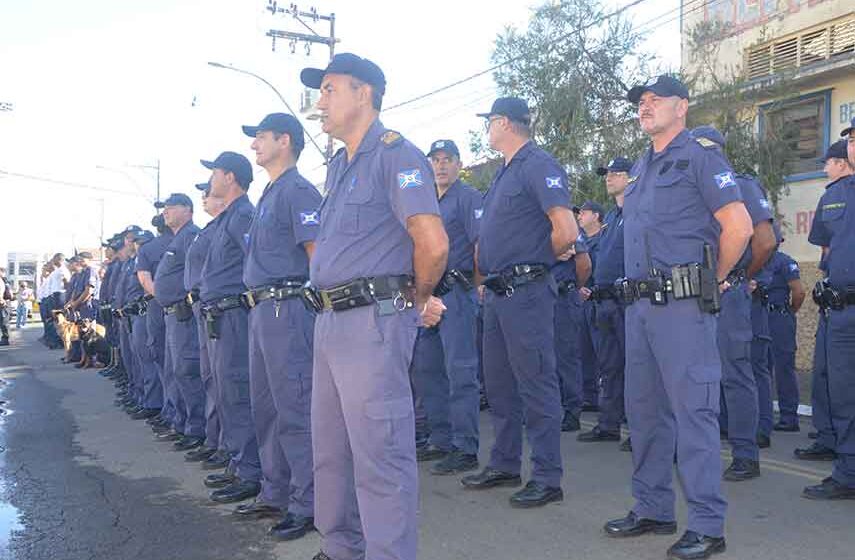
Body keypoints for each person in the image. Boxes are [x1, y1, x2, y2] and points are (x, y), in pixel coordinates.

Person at [300, 52, 447, 560]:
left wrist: (417, 299)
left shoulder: (396, 154)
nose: (320, 102)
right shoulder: (339, 166)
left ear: (363, 94)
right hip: (329, 321)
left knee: (380, 455)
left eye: (328, 89)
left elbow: (432, 242)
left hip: (372, 321)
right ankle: (340, 548)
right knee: (332, 452)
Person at [604, 75, 752, 560]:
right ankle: (652, 507)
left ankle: (708, 525)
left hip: (683, 306)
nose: (645, 107)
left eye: (654, 100)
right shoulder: (643, 167)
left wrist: (715, 277)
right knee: (644, 413)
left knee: (694, 415)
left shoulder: (700, 157)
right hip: (640, 309)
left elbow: (740, 225)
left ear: (682, 107)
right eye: (640, 102)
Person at [461, 96, 578, 509]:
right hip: (496, 293)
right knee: (499, 385)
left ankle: (547, 477)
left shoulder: (538, 164)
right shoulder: (503, 173)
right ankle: (505, 463)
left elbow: (565, 229)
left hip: (525, 291)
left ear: (505, 123)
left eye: (489, 122)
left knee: (536, 382)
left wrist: (534, 262)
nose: (487, 130)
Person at [236, 112, 322, 540]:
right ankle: (276, 491)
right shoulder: (271, 192)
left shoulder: (298, 191)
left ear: (284, 141)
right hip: (262, 311)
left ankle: (308, 504)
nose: (254, 145)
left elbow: (317, 254)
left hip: (286, 310)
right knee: (265, 408)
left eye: (260, 137)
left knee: (294, 409)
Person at [690, 125, 776, 481]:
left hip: (726, 291)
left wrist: (734, 276)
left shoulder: (739, 184)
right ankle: (700, 449)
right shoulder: (691, 189)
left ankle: (745, 453)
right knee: (695, 375)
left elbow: (765, 241)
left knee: (735, 372)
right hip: (692, 292)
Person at [410, 138, 484, 475]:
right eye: (435, 160)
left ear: (458, 164)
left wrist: (478, 286)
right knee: (427, 370)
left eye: (447, 160)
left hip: (456, 292)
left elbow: (480, 244)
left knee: (461, 371)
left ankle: (465, 445)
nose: (440, 166)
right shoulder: (423, 199)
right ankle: (439, 438)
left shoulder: (468, 198)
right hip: (428, 295)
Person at [198, 151, 262, 505]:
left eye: (215, 172)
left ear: (231, 177)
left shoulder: (243, 216)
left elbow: (256, 263)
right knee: (224, 392)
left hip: (235, 315)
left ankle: (250, 470)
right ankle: (240, 463)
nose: (211, 179)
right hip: (218, 316)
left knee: (237, 392)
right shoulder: (226, 219)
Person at [802, 125, 855, 500]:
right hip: (843, 310)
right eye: (851, 140)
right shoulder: (838, 195)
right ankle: (849, 471)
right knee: (844, 394)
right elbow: (827, 248)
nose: (854, 145)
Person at [577, 158, 631, 451]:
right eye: (607, 174)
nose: (609, 178)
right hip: (604, 302)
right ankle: (609, 424)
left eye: (616, 174)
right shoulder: (611, 216)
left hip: (627, 301)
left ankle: (639, 428)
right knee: (609, 366)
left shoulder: (638, 210)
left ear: (631, 178)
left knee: (636, 367)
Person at [154, 193, 207, 455]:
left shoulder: (192, 235)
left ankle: (197, 428)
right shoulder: (179, 238)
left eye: (170, 207)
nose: (165, 211)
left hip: (184, 314)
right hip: (172, 315)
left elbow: (199, 274)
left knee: (188, 370)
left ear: (187, 209)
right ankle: (186, 423)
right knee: (177, 371)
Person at [181, 184, 229, 468]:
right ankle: (217, 442)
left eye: (208, 191)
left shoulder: (232, 222)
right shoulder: (209, 229)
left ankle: (230, 450)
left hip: (225, 309)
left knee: (228, 383)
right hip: (204, 306)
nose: (204, 196)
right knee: (210, 378)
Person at [551, 231, 591, 433]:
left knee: (566, 356)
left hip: (563, 297)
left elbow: (584, 264)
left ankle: (572, 411)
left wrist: (575, 287)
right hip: (542, 298)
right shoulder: (533, 223)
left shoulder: (568, 227)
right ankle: (552, 408)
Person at [766, 244, 805, 432]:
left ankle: (789, 417)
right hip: (760, 317)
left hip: (779, 318)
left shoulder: (785, 261)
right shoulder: (755, 260)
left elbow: (798, 292)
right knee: (761, 369)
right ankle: (762, 416)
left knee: (784, 368)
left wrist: (789, 312)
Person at [576, 201, 605, 410]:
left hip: (600, 299)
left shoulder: (606, 237)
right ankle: (589, 396)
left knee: (603, 353)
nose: (579, 217)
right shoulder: (580, 240)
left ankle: (608, 398)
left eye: (584, 213)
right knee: (583, 351)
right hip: (581, 300)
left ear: (596, 216)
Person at [0, 268, 9, 345]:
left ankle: (5, 339)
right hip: (4, 303)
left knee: (3, 322)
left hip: (2, 304)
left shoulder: (1, 281)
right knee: (3, 322)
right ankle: (5, 339)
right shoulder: (4, 281)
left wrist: (1, 300)